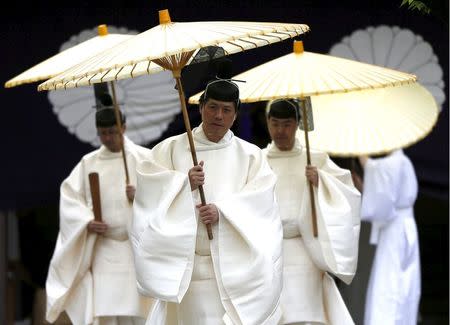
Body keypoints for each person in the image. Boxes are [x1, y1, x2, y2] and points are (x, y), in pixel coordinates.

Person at [131, 79, 283, 325]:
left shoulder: (251, 156)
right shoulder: (169, 149)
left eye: (226, 110)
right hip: (185, 271)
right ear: (201, 107)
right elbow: (148, 197)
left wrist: (223, 213)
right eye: (212, 107)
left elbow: (262, 206)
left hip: (231, 270)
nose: (218, 116)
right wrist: (183, 184)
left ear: (235, 115)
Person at [45, 104, 154, 325]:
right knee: (105, 309)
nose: (107, 138)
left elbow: (166, 193)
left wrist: (142, 194)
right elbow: (70, 197)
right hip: (105, 248)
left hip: (136, 248)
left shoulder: (145, 158)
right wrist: (86, 221)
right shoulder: (89, 162)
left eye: (112, 132)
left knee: (141, 311)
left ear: (123, 128)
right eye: (103, 133)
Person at [263, 99, 361, 325]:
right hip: (271, 249)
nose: (280, 130)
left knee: (307, 313)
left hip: (307, 249)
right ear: (267, 123)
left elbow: (347, 192)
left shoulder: (315, 159)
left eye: (286, 124)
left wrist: (322, 182)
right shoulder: (258, 159)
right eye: (275, 123)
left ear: (298, 124)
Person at [356, 151, 421, 325]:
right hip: (405, 229)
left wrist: (360, 153)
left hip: (395, 232)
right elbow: (385, 196)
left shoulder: (393, 163)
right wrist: (365, 187)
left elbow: (374, 171)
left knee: (388, 285)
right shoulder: (404, 162)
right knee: (403, 287)